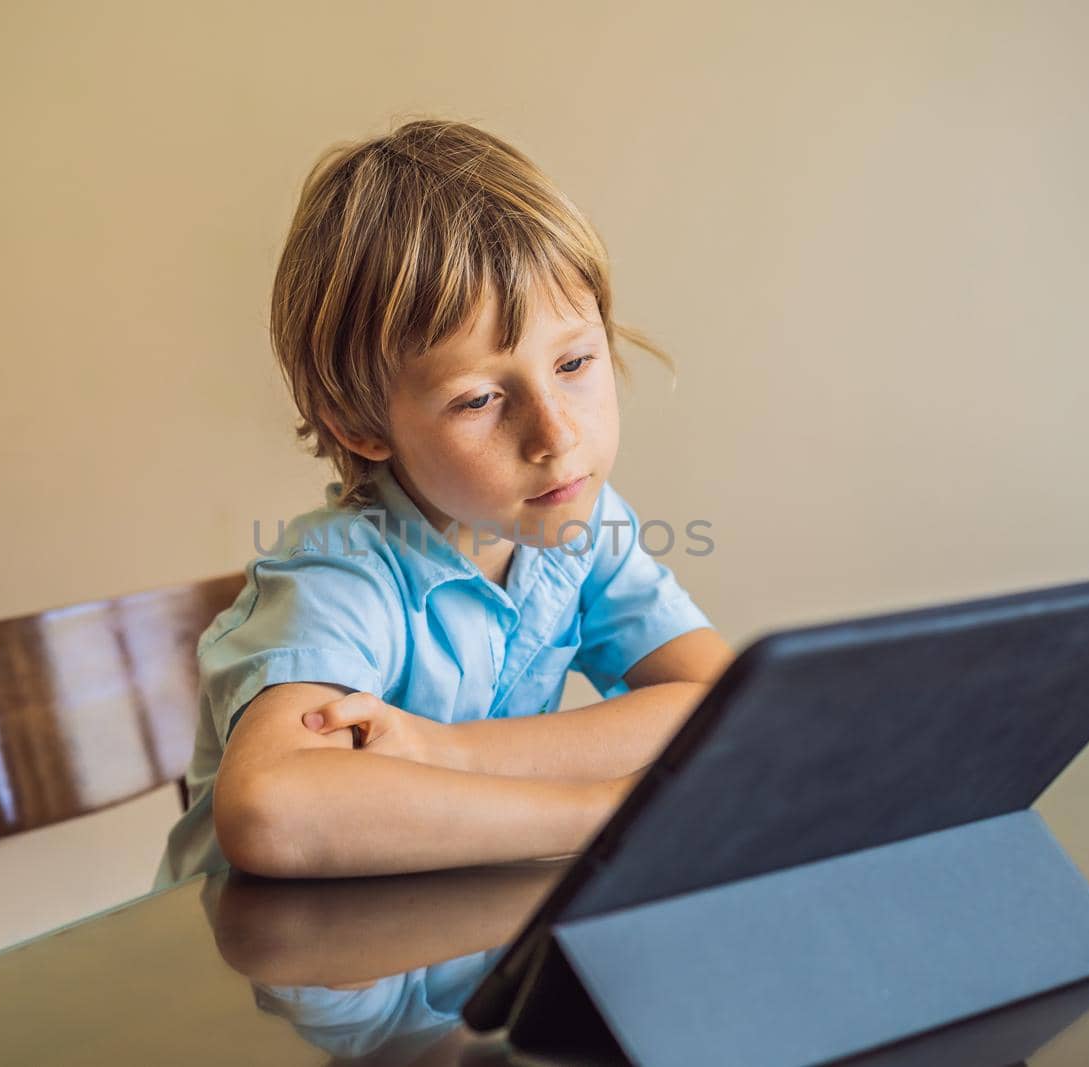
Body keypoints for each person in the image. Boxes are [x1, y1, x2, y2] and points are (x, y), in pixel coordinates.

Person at [155, 117, 733, 887]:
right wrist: (603, 814)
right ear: (360, 428)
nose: (556, 435)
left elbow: (718, 705)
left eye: (574, 362)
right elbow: (271, 808)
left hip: (441, 952)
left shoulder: (583, 529)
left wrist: (449, 751)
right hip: (260, 984)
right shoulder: (339, 577)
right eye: (480, 400)